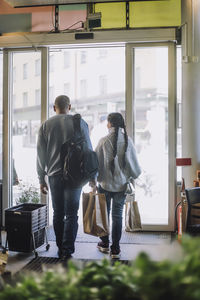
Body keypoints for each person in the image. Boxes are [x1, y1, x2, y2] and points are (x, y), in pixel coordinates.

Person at [37, 95, 93, 260]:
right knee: (71, 214)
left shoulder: (46, 125)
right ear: (69, 106)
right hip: (75, 177)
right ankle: (67, 251)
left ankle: (60, 247)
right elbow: (89, 152)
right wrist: (92, 176)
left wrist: (41, 178)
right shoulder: (80, 123)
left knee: (58, 212)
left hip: (54, 176)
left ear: (54, 108)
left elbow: (40, 154)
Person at [90, 112, 141, 259]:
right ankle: (116, 249)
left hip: (105, 185)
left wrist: (93, 182)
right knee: (117, 216)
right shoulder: (128, 141)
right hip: (121, 185)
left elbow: (96, 164)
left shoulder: (103, 141)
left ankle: (104, 244)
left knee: (104, 215)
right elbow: (134, 167)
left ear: (109, 124)